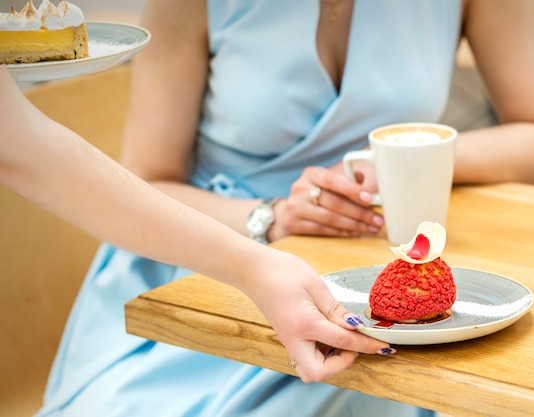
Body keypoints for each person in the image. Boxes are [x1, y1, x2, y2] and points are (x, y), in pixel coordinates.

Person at [37, 0, 534, 416]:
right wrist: (268, 217)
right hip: (201, 259)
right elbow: (150, 182)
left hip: (378, 285)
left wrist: (393, 160)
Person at [0, 65, 395, 384]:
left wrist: (384, 156)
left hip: (340, 263)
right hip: (198, 265)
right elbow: (20, 146)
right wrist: (258, 254)